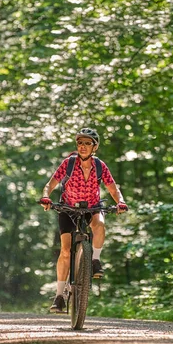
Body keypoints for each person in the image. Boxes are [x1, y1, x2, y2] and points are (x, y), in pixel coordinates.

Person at [39, 127, 128, 313]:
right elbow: (51, 184)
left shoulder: (99, 166)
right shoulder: (69, 163)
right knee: (65, 250)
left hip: (92, 207)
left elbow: (113, 189)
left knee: (100, 225)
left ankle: (95, 260)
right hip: (68, 209)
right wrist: (46, 197)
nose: (83, 146)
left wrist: (120, 201)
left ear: (95, 147)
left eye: (87, 143)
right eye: (80, 143)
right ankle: (60, 296)